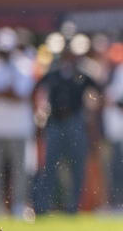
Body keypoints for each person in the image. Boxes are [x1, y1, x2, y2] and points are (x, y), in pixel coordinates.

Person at [33, 42, 102, 214]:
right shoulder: (53, 74)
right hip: (55, 122)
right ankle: (43, 206)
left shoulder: (82, 75)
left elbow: (99, 93)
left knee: (77, 166)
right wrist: (38, 115)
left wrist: (92, 118)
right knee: (50, 166)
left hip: (75, 123)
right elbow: (35, 91)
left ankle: (73, 208)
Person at [0, 27, 34, 216]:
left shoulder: (23, 66)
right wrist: (4, 92)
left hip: (18, 128)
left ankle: (19, 206)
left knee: (20, 170)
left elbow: (21, 94)